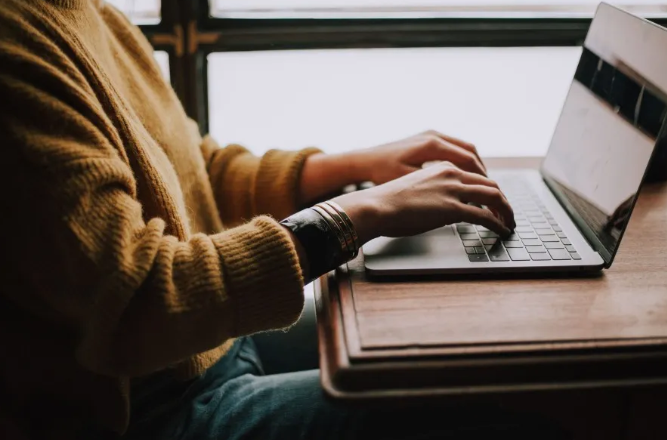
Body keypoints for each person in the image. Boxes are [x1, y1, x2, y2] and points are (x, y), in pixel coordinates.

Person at [0, 1, 572, 440]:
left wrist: (350, 166)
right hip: (145, 409)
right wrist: (353, 216)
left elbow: (190, 168)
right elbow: (139, 300)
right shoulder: (16, 47)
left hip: (206, 345)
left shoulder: (87, 12)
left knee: (468, 344)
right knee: (487, 403)